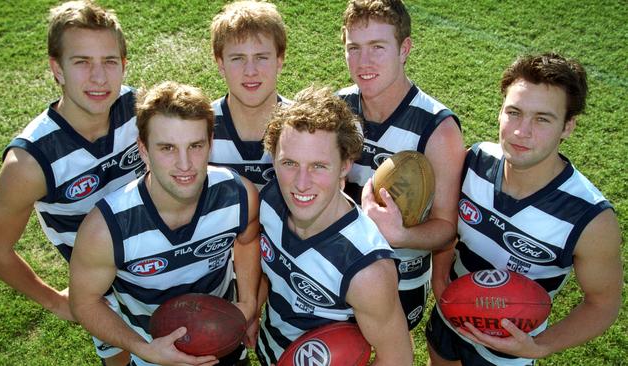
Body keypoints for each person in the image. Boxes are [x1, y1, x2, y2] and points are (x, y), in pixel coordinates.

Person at [427, 52, 623, 366]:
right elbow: (446, 227)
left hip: (507, 354)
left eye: (542, 119)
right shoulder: (474, 162)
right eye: (514, 112)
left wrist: (540, 346)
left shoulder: (590, 219)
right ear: (500, 112)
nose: (522, 131)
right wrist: (439, 278)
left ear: (568, 126)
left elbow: (603, 303)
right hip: (449, 321)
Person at [0, 1, 143, 364]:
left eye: (109, 62)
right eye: (82, 62)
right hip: (104, 293)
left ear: (123, 65)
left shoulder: (138, 108)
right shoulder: (30, 161)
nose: (99, 78)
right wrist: (56, 301)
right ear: (58, 68)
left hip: (161, 268)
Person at [69, 81, 261, 366]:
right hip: (153, 356)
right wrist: (143, 349)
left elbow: (246, 241)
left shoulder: (238, 195)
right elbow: (84, 302)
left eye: (195, 146)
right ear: (144, 150)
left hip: (222, 345)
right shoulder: (107, 229)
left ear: (210, 143)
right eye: (167, 148)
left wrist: (247, 304)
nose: (184, 164)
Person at [256, 86, 413, 365]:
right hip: (268, 350)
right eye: (289, 163)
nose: (301, 183)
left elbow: (397, 358)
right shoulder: (269, 202)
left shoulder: (366, 270)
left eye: (318, 166)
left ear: (344, 167)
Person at [338, 0, 466, 335]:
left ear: (404, 48)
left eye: (377, 47)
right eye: (354, 48)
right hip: (338, 265)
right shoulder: (337, 109)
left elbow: (446, 228)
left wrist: (402, 235)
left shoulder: (438, 130)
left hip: (399, 278)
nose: (364, 62)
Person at [209, 0, 289, 190]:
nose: (250, 71)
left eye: (261, 57)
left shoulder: (304, 126)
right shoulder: (199, 127)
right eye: (238, 58)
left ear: (279, 60)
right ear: (220, 64)